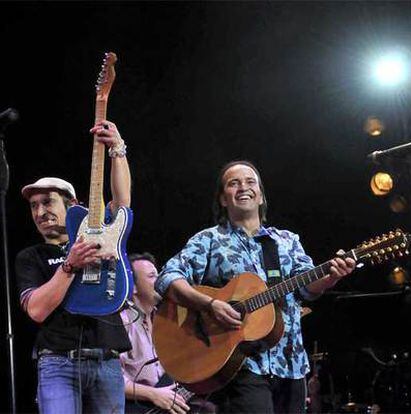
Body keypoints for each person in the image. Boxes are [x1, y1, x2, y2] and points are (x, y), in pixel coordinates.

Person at [154, 160, 356, 414]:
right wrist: (210, 304)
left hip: (290, 362)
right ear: (223, 199)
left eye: (251, 182)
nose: (243, 187)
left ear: (260, 196)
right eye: (233, 183)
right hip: (240, 366)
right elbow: (168, 277)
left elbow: (307, 288)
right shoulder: (209, 240)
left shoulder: (286, 240)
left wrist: (331, 276)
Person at [15, 120, 131, 414]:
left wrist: (117, 149)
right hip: (57, 363)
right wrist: (69, 266)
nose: (40, 212)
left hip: (106, 360)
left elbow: (121, 204)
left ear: (72, 204)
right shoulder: (31, 256)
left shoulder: (100, 236)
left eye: (48, 202)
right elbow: (37, 309)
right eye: (33, 206)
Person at [121, 252, 215, 414]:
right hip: (136, 405)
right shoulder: (122, 321)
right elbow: (110, 380)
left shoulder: (167, 320)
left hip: (167, 399)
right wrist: (153, 394)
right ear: (133, 286)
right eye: (152, 276)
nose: (161, 282)